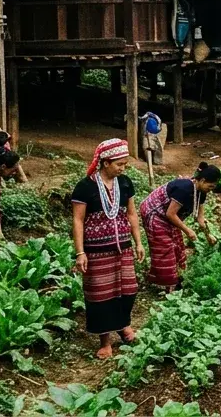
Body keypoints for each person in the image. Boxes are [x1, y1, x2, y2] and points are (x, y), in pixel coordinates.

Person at [70, 139, 145, 359]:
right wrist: (80, 252)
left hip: (123, 248)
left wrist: (138, 242)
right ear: (105, 162)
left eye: (125, 165)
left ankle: (124, 326)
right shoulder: (85, 187)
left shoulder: (125, 183)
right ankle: (105, 340)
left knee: (127, 289)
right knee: (100, 295)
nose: (123, 168)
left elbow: (131, 214)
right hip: (96, 250)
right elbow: (78, 220)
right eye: (119, 164)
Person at [140, 162, 221, 290]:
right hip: (155, 213)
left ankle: (174, 279)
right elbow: (170, 214)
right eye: (210, 186)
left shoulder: (201, 193)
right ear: (203, 180)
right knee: (166, 248)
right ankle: (167, 286)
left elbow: (200, 219)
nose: (210, 190)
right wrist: (187, 230)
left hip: (168, 216)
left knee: (178, 245)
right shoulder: (184, 189)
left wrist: (208, 235)